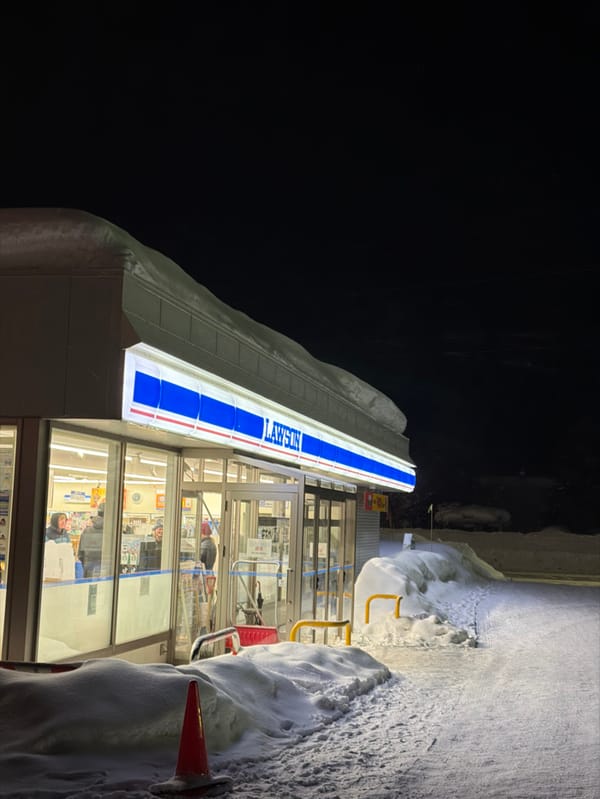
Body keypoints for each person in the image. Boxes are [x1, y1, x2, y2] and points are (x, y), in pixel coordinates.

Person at [78, 503, 105, 578]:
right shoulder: (110, 532)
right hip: (105, 567)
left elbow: (80, 553)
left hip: (88, 566)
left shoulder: (86, 531)